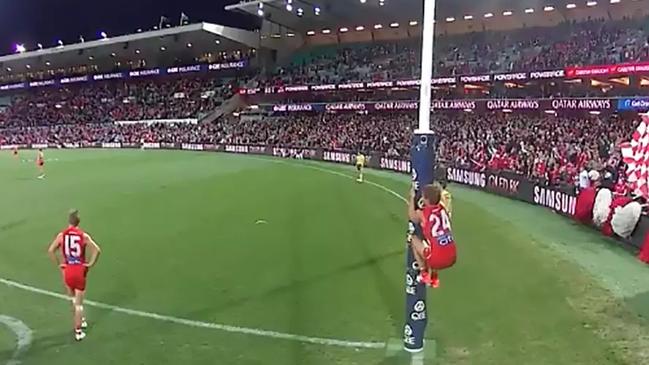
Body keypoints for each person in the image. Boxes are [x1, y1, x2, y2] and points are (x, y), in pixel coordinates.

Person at [47, 210, 102, 341]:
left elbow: (50, 251)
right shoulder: (83, 236)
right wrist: (90, 264)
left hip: (68, 269)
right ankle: (78, 330)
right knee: (79, 304)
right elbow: (97, 250)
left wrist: (60, 264)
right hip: (79, 270)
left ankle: (80, 320)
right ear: (79, 222)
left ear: (69, 221)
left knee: (72, 298)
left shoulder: (62, 235)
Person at [408, 183, 457, 288]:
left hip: (437, 260)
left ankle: (423, 273)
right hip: (452, 256)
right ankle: (433, 278)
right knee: (433, 243)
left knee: (413, 239)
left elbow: (412, 216)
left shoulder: (423, 213)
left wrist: (412, 197)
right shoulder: (443, 208)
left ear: (425, 199)